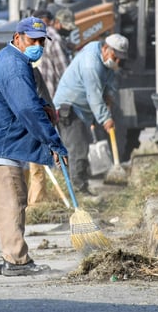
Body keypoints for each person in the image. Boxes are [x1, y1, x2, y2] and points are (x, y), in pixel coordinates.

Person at [0, 16, 68, 277]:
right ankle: (17, 260)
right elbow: (27, 109)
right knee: (11, 203)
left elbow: (27, 103)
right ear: (18, 38)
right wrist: (54, 143)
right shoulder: (15, 67)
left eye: (42, 41)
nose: (38, 46)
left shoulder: (11, 59)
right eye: (33, 40)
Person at [53, 33, 129, 195]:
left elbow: (107, 81)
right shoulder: (91, 64)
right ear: (106, 48)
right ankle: (78, 192)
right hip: (70, 108)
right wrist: (105, 118)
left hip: (81, 110)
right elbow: (93, 95)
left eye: (120, 59)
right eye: (115, 57)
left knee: (83, 147)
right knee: (77, 150)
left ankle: (78, 187)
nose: (117, 62)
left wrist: (109, 95)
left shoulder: (102, 57)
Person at [26, 9, 72, 206]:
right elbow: (64, 71)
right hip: (42, 105)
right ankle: (37, 203)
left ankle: (35, 200)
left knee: (34, 158)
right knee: (38, 155)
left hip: (42, 103)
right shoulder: (53, 38)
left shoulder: (33, 52)